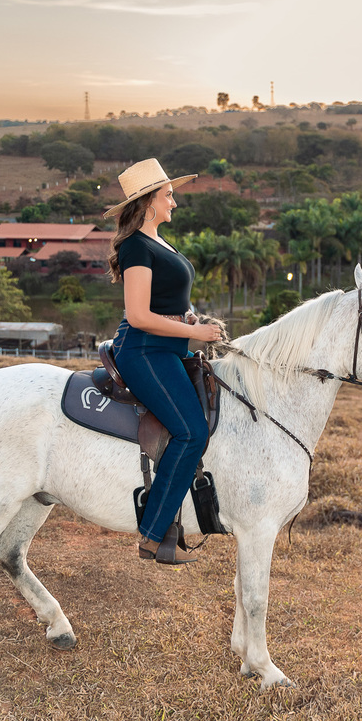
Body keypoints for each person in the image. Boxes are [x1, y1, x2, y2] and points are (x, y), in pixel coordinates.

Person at [105, 158, 223, 564]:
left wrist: (187, 319)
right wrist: (195, 333)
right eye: (168, 194)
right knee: (191, 432)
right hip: (144, 351)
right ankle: (154, 535)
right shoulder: (138, 245)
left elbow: (164, 303)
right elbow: (138, 315)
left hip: (169, 348)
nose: (175, 201)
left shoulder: (160, 242)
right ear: (149, 202)